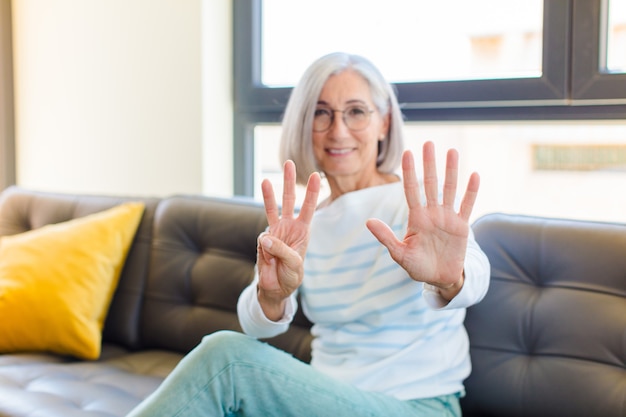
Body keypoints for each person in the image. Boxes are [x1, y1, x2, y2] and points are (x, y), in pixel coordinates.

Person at [128, 52, 490, 417]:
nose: (338, 130)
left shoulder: (416, 207)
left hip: (416, 406)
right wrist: (271, 295)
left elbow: (474, 275)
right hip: (324, 401)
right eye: (321, 113)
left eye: (356, 111)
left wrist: (451, 277)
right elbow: (254, 324)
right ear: (304, 125)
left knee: (228, 362)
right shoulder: (304, 225)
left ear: (384, 123)